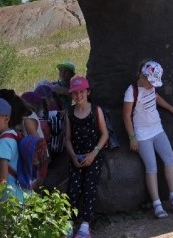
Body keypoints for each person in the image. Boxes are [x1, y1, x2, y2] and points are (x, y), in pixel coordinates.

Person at [122, 60, 173, 219]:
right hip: (142, 135)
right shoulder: (132, 91)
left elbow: (156, 97)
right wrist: (132, 137)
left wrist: (172, 109)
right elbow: (126, 116)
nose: (152, 85)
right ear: (142, 76)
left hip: (157, 129)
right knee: (151, 167)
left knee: (170, 159)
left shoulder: (151, 87)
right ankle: (157, 204)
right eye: (150, 82)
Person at [64, 76, 109, 238]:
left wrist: (94, 153)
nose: (78, 95)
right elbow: (67, 138)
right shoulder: (69, 113)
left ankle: (85, 224)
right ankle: (68, 223)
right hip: (76, 156)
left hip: (94, 156)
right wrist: (73, 156)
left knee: (90, 187)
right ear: (71, 95)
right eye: (75, 93)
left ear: (88, 92)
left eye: (82, 91)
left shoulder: (96, 110)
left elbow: (104, 134)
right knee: (73, 188)